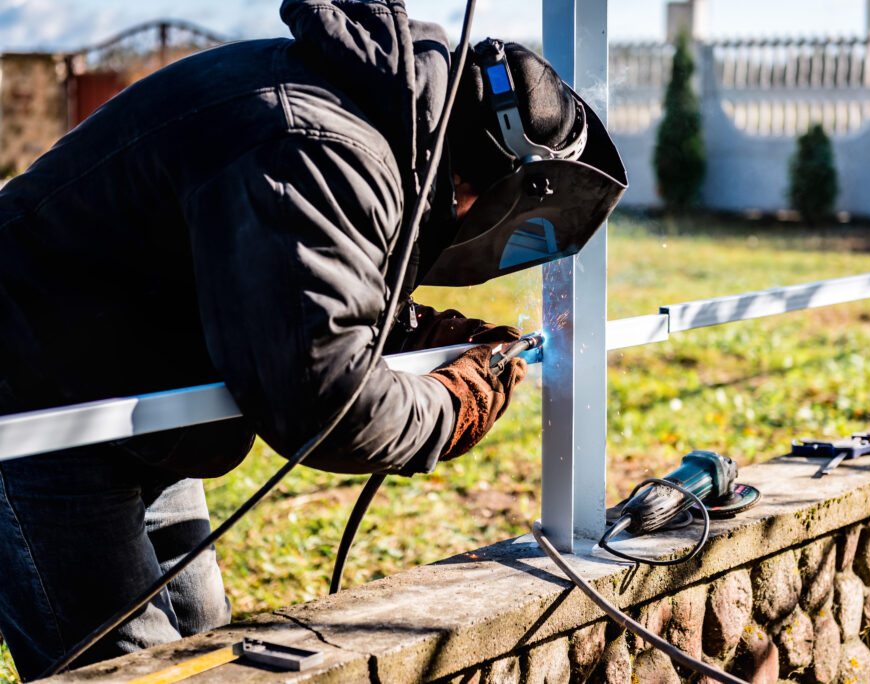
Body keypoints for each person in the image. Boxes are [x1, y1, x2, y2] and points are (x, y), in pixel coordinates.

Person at [0, 0, 626, 679]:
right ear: (479, 179)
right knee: (130, 670)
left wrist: (406, 333)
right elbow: (323, 399)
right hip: (37, 399)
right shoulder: (317, 146)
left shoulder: (377, 124)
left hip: (129, 388)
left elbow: (281, 283)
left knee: (205, 649)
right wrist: (451, 404)